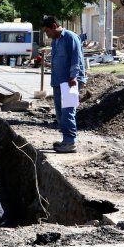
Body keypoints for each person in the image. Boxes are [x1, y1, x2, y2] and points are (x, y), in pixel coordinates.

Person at [42, 15, 87, 153]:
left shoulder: (70, 37)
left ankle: (70, 143)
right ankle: (66, 140)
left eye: (47, 31)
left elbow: (76, 58)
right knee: (60, 113)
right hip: (58, 81)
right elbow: (59, 60)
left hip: (70, 81)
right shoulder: (55, 41)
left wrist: (73, 77)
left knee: (68, 112)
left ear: (54, 26)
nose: (47, 34)